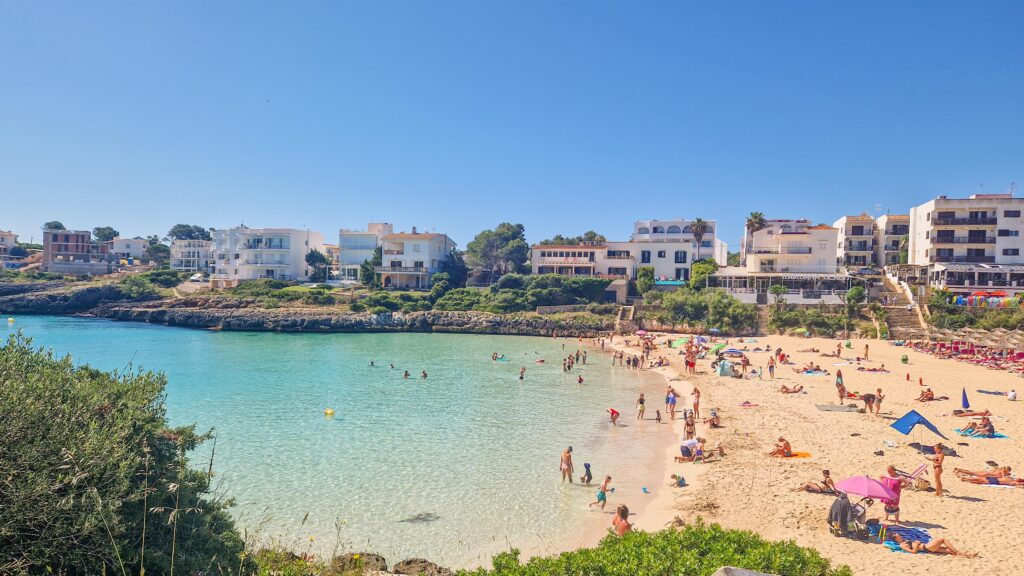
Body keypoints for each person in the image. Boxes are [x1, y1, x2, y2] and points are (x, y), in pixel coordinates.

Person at [889, 534, 977, 557]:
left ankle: (968, 555)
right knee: (943, 539)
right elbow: (913, 552)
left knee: (949, 550)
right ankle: (959, 553)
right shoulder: (902, 545)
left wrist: (916, 543)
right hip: (926, 547)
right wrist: (917, 544)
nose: (900, 536)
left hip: (928, 548)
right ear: (896, 539)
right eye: (898, 536)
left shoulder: (904, 541)